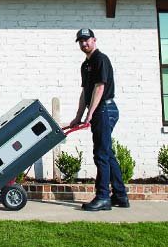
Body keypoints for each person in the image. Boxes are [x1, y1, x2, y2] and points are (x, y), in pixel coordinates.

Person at [65, 28, 129, 211]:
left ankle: (103, 197)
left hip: (105, 109)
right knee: (107, 153)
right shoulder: (85, 65)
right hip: (100, 110)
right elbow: (86, 91)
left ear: (94, 40)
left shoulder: (101, 59)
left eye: (87, 40)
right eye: (81, 41)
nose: (84, 43)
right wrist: (77, 116)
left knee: (101, 154)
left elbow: (100, 88)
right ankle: (120, 195)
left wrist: (90, 113)